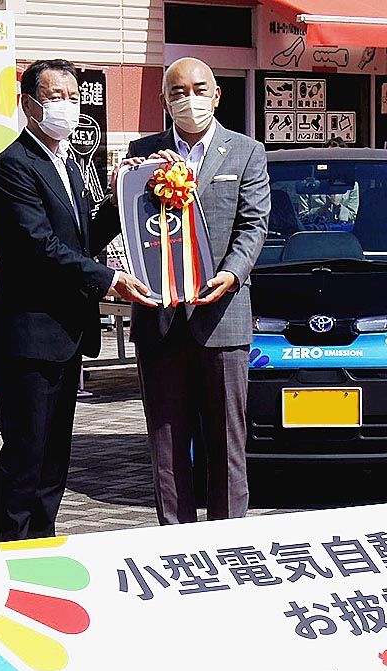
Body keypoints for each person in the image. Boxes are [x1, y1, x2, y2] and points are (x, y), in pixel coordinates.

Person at [0, 58, 155, 541]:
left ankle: (42, 547)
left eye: (73, 96)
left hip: (65, 335)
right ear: (28, 104)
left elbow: (82, 240)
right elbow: (38, 247)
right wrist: (109, 280)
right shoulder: (15, 165)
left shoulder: (69, 164)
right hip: (27, 335)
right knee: (26, 454)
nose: (66, 105)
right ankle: (14, 554)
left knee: (54, 455)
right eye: (54, 96)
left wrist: (124, 196)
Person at [108, 57, 270, 524]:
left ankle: (227, 541)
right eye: (178, 92)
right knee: (166, 443)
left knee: (227, 442)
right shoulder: (143, 154)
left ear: (216, 95)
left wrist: (233, 273)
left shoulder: (245, 152)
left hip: (222, 316)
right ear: (164, 101)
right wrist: (124, 185)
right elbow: (125, 225)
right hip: (158, 318)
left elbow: (254, 225)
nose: (189, 100)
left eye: (199, 89)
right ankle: (175, 539)